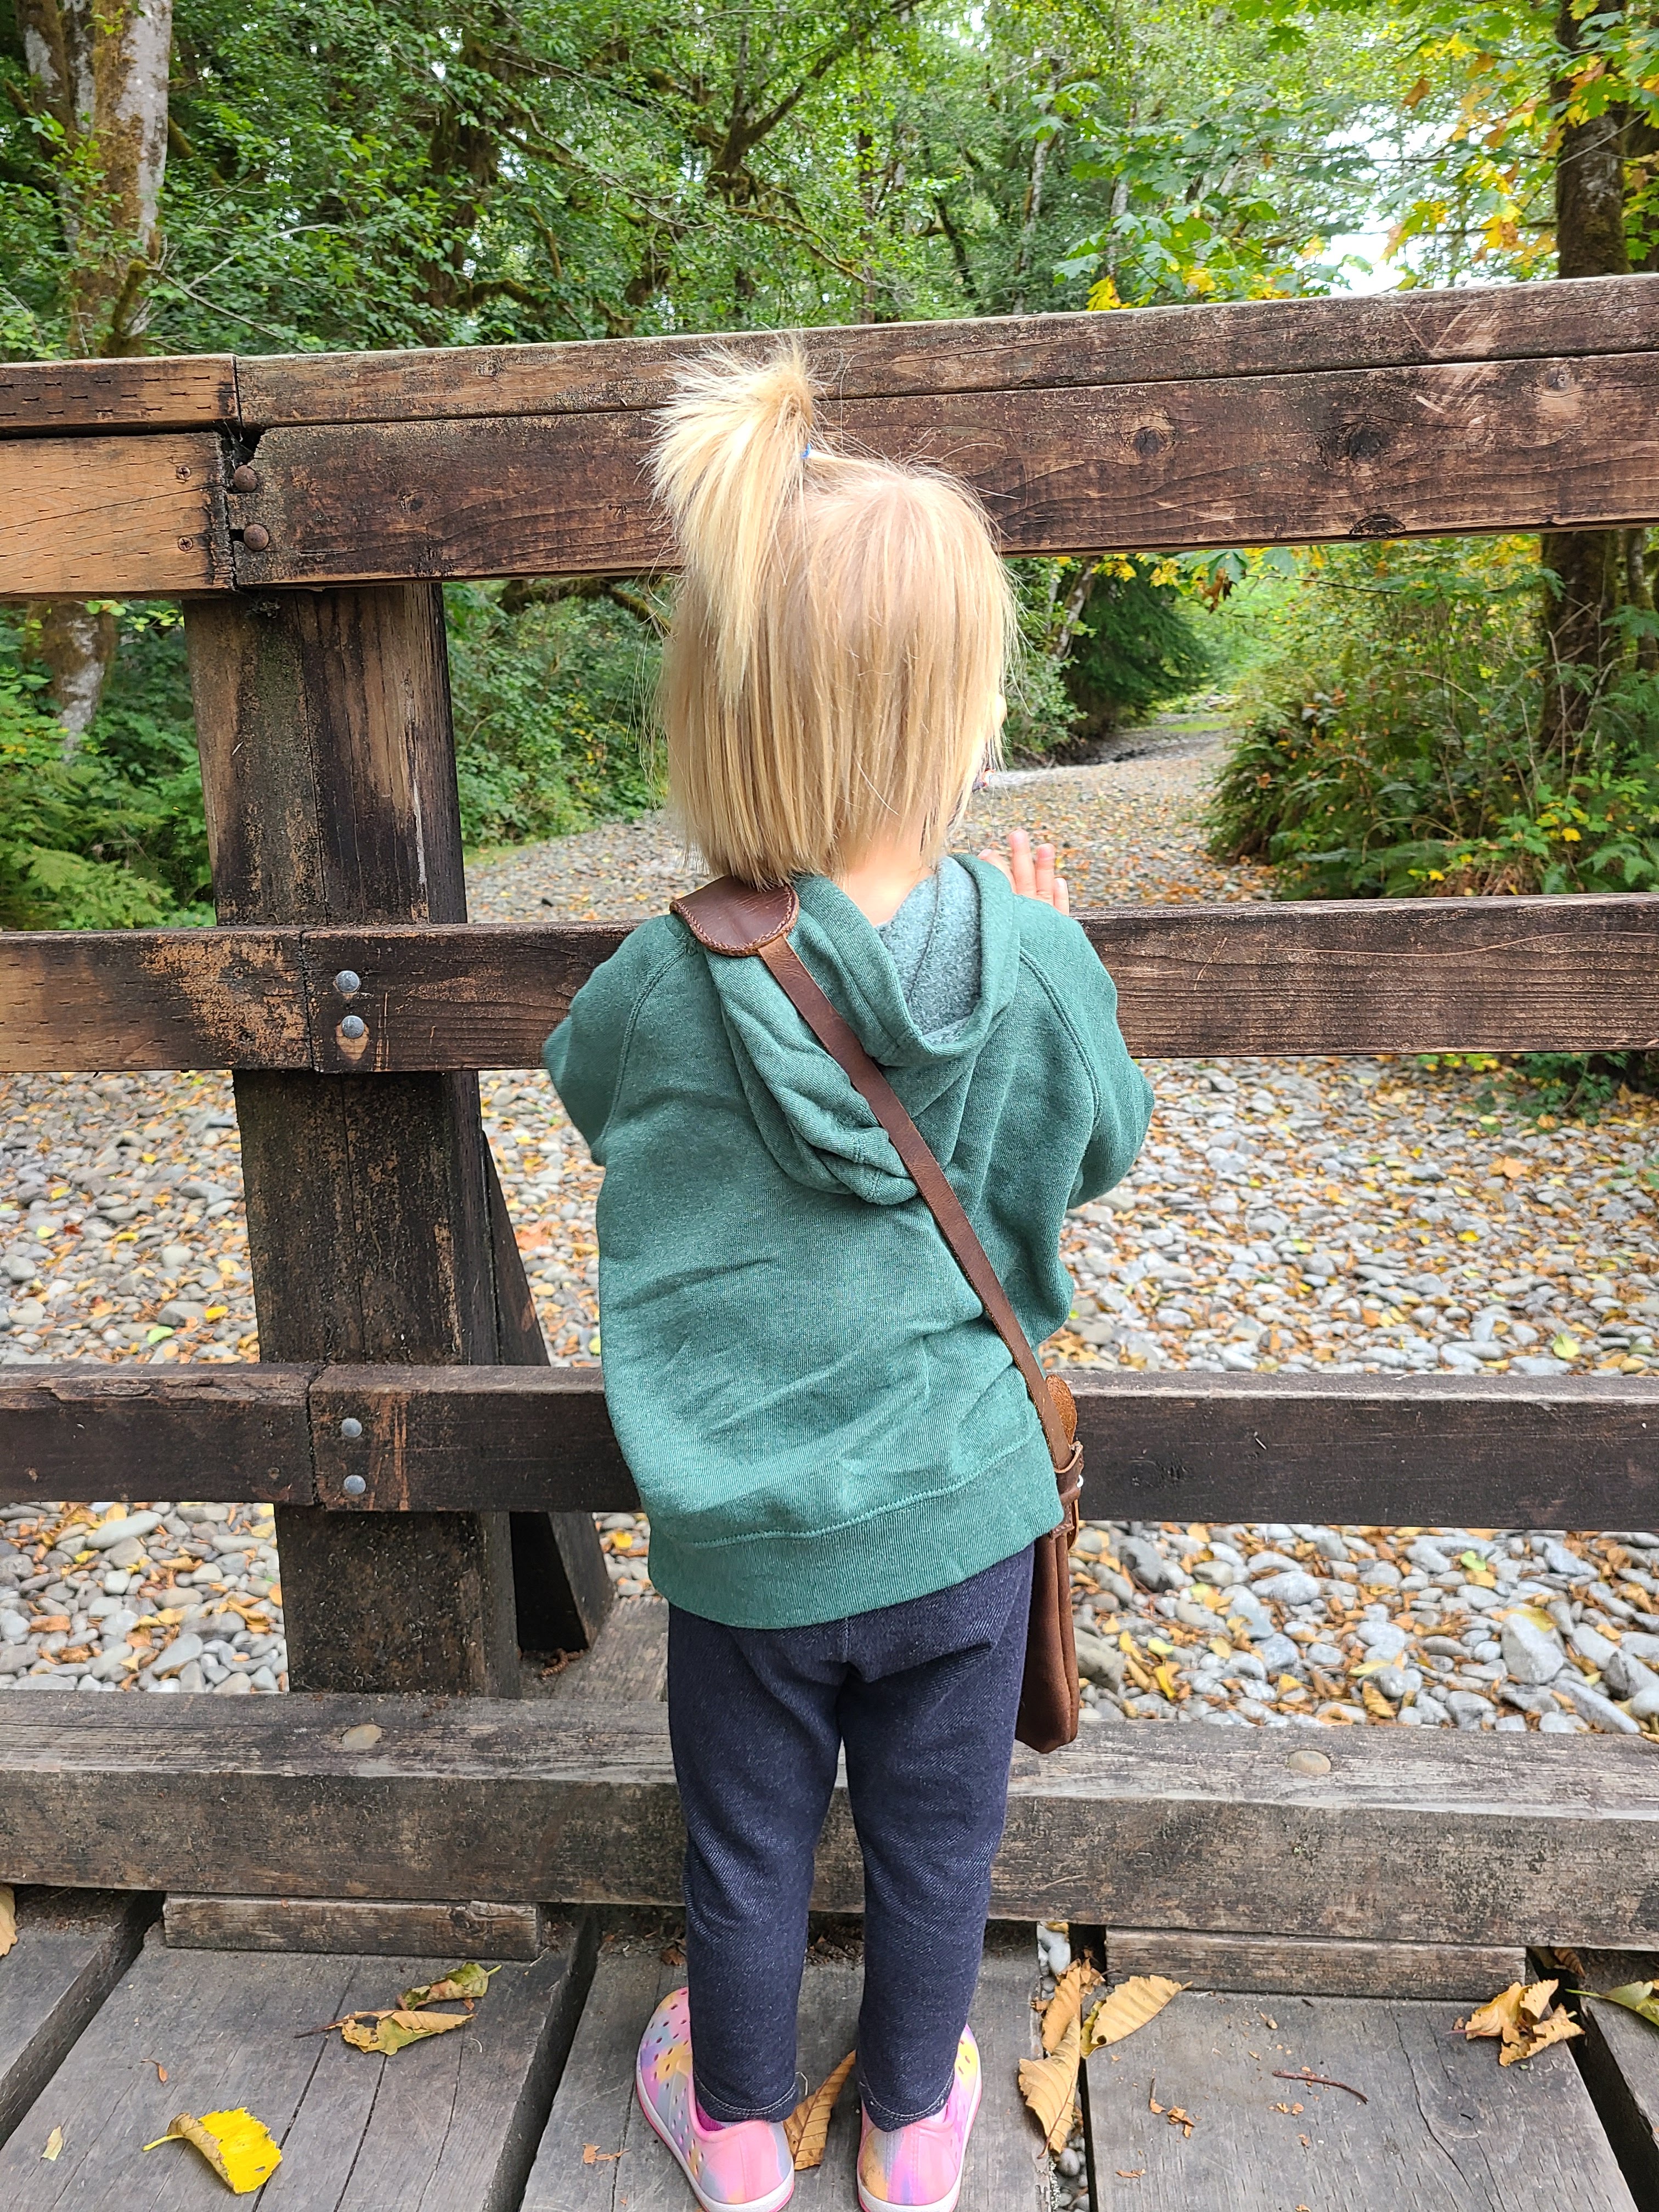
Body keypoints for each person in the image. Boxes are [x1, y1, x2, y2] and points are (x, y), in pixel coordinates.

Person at [544, 343, 1152, 2212]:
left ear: (729, 711)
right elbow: (1102, 1147)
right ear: (960, 711)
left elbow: (589, 1091)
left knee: (741, 1847)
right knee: (936, 1847)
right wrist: (1050, 951)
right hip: (962, 1521)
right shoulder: (1032, 955)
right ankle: (909, 2130)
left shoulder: (665, 972)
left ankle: (736, 2129)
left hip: (741, 1539)